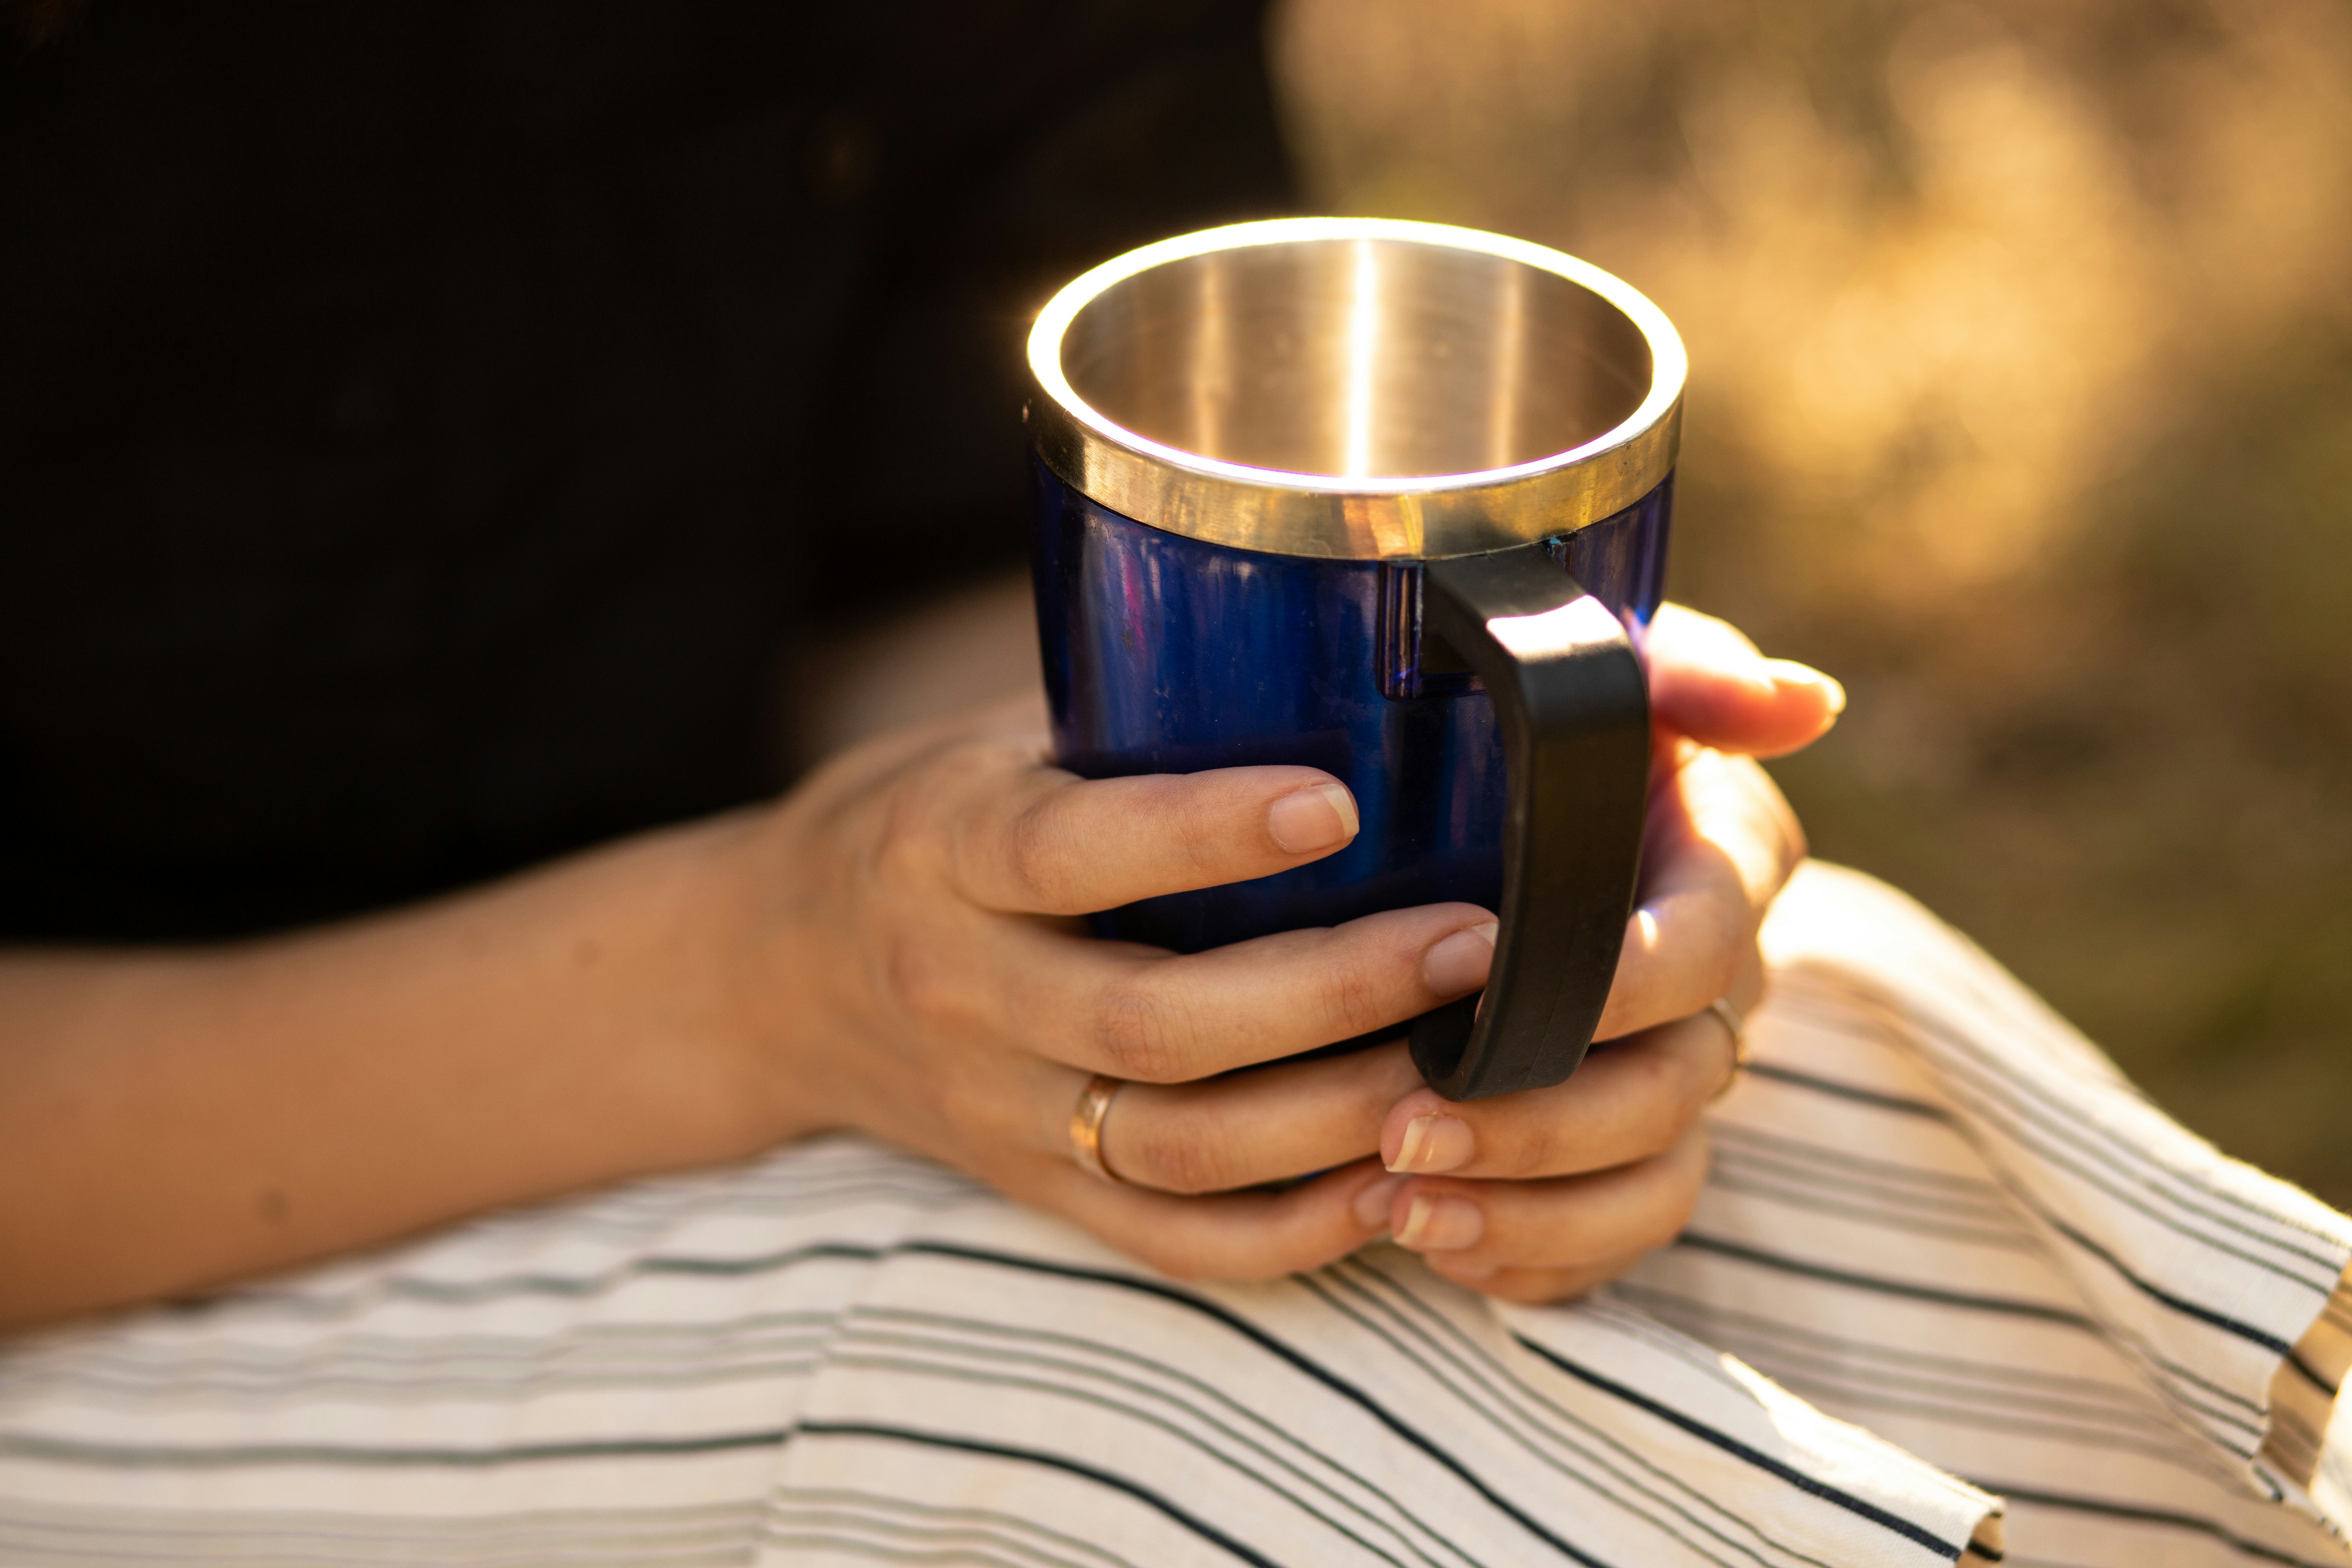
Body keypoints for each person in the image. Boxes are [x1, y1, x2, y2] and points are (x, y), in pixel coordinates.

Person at [1, 4, 2346, 1565]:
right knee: (1197, 1411)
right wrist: (769, 976)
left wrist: (1509, 827)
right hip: (102, 1255)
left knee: (1856, 1052)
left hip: (755, 1012)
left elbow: (946, 547)